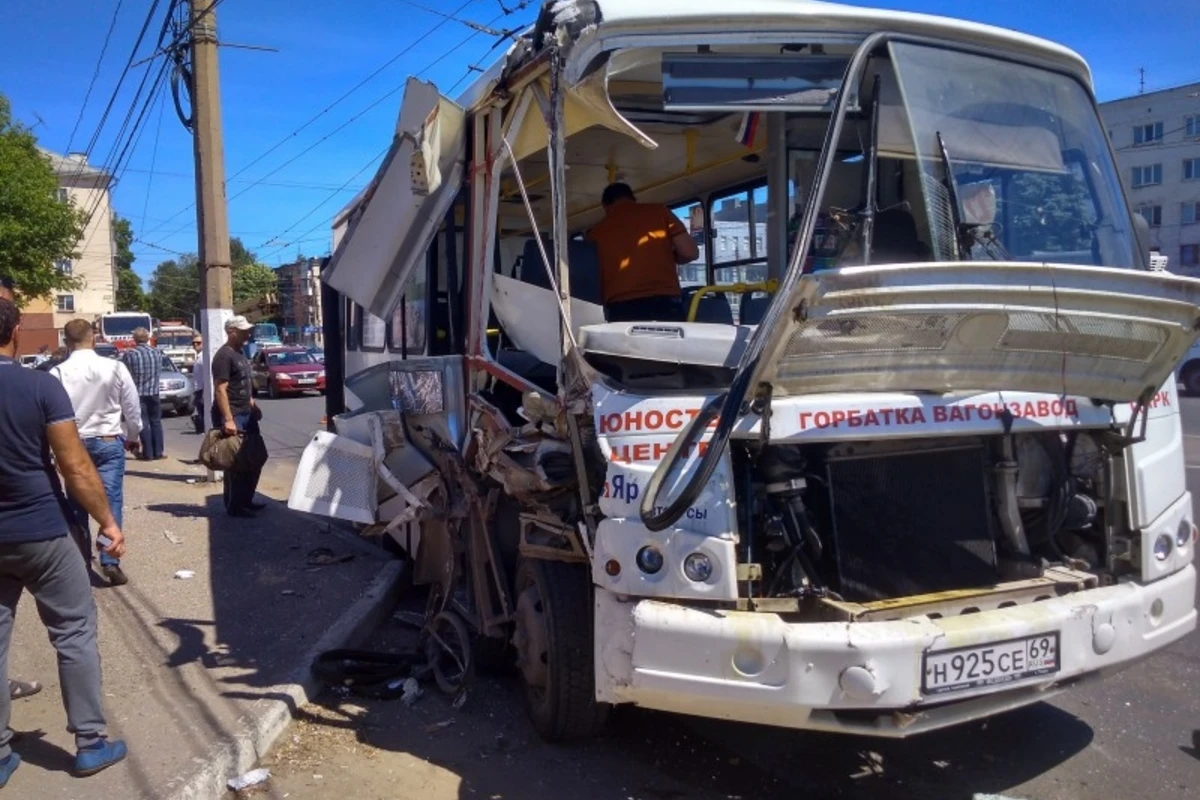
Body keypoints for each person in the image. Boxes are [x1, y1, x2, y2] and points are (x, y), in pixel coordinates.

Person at [0, 298, 129, 784]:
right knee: (73, 631)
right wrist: (108, 523)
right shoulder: (39, 386)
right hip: (44, 532)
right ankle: (90, 743)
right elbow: (75, 467)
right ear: (15, 335)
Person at [51, 319, 142, 587]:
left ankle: (80, 561)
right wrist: (134, 437)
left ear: (67, 342)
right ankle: (109, 559)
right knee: (110, 500)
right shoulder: (115, 367)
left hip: (73, 445)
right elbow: (132, 408)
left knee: (77, 503)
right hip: (107, 440)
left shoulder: (58, 373)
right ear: (94, 338)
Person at [585, 182, 700, 322]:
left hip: (621, 308)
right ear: (633, 199)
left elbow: (594, 280)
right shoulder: (659, 212)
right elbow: (690, 252)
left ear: (605, 205)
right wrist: (672, 256)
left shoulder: (595, 234)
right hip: (665, 302)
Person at [211, 316, 266, 517]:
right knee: (235, 464)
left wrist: (253, 406)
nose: (247, 334)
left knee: (255, 458)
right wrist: (228, 419)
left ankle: (247, 500)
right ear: (231, 331)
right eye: (243, 331)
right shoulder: (223, 356)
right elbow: (220, 390)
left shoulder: (240, 353)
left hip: (246, 414)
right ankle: (235, 506)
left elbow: (245, 385)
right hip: (233, 415)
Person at [121, 327, 164, 460]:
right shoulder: (157, 352)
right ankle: (158, 452)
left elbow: (125, 372)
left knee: (143, 422)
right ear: (147, 338)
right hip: (154, 391)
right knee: (156, 421)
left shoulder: (130, 354)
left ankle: (148, 453)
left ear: (135, 339)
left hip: (138, 392)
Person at [190, 334, 206, 435]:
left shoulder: (203, 358)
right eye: (193, 343)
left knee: (201, 411)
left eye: (198, 343)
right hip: (198, 389)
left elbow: (206, 376)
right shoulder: (198, 357)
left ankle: (203, 429)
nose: (195, 344)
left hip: (201, 389)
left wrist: (204, 392)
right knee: (199, 410)